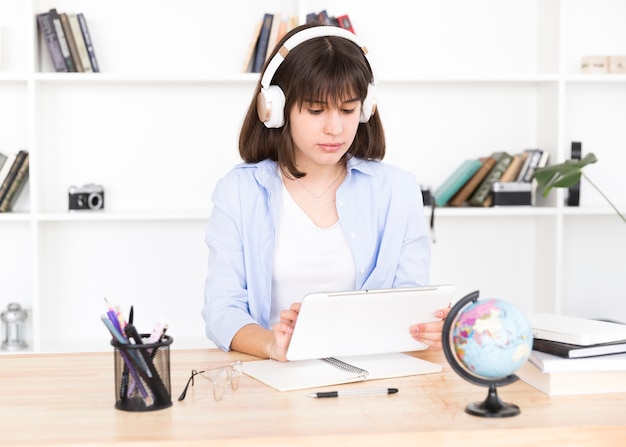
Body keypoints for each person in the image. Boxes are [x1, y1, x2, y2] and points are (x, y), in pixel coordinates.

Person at [201, 23, 449, 362]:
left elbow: (409, 297)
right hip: (273, 377)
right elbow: (222, 309)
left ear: (365, 108)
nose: (335, 128)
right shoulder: (240, 191)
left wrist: (428, 326)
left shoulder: (396, 189)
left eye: (348, 110)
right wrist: (273, 344)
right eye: (316, 110)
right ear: (274, 109)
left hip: (372, 375)